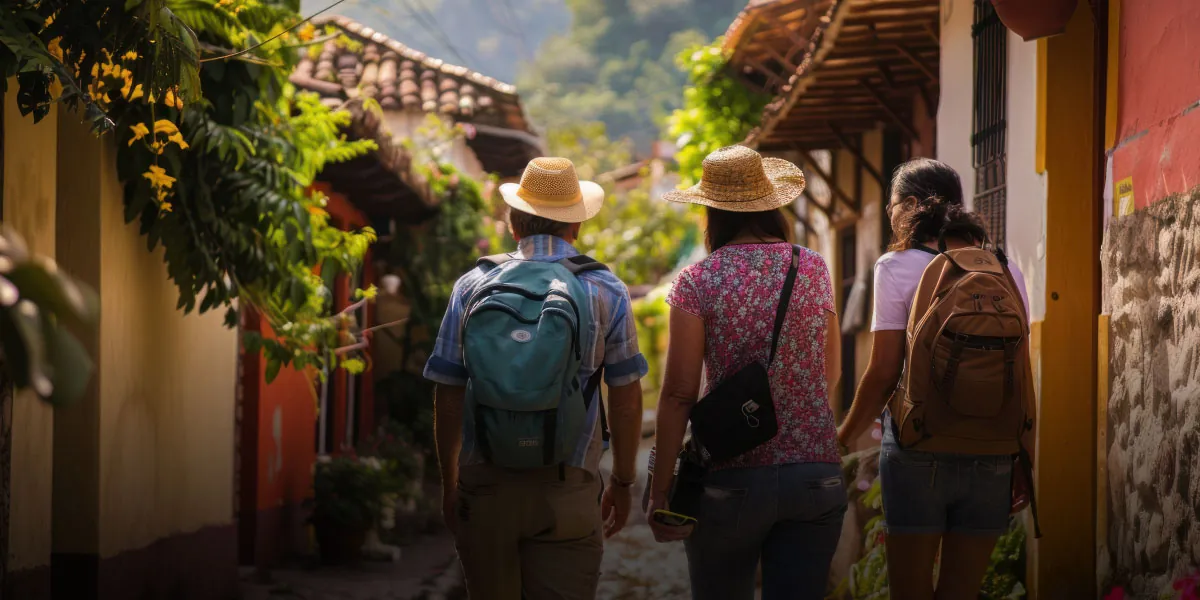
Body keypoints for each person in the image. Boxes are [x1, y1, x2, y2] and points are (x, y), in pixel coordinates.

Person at [423, 157, 649, 600]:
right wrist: (622, 482)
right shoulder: (606, 289)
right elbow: (624, 398)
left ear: (513, 224)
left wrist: (451, 484)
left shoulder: (471, 285)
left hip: (485, 482)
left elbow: (448, 391)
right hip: (568, 482)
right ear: (576, 227)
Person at [647, 145, 847, 600]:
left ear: (711, 213)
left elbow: (679, 393)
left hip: (731, 476)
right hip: (815, 473)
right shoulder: (812, 268)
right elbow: (829, 372)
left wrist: (661, 490)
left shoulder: (697, 281)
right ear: (771, 204)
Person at [837, 158, 1036, 600]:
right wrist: (1025, 455)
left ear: (908, 205)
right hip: (992, 449)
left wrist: (845, 436)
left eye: (891, 205)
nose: (889, 214)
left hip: (918, 448)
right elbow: (1021, 372)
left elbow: (885, 370)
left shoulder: (896, 266)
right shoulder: (1005, 268)